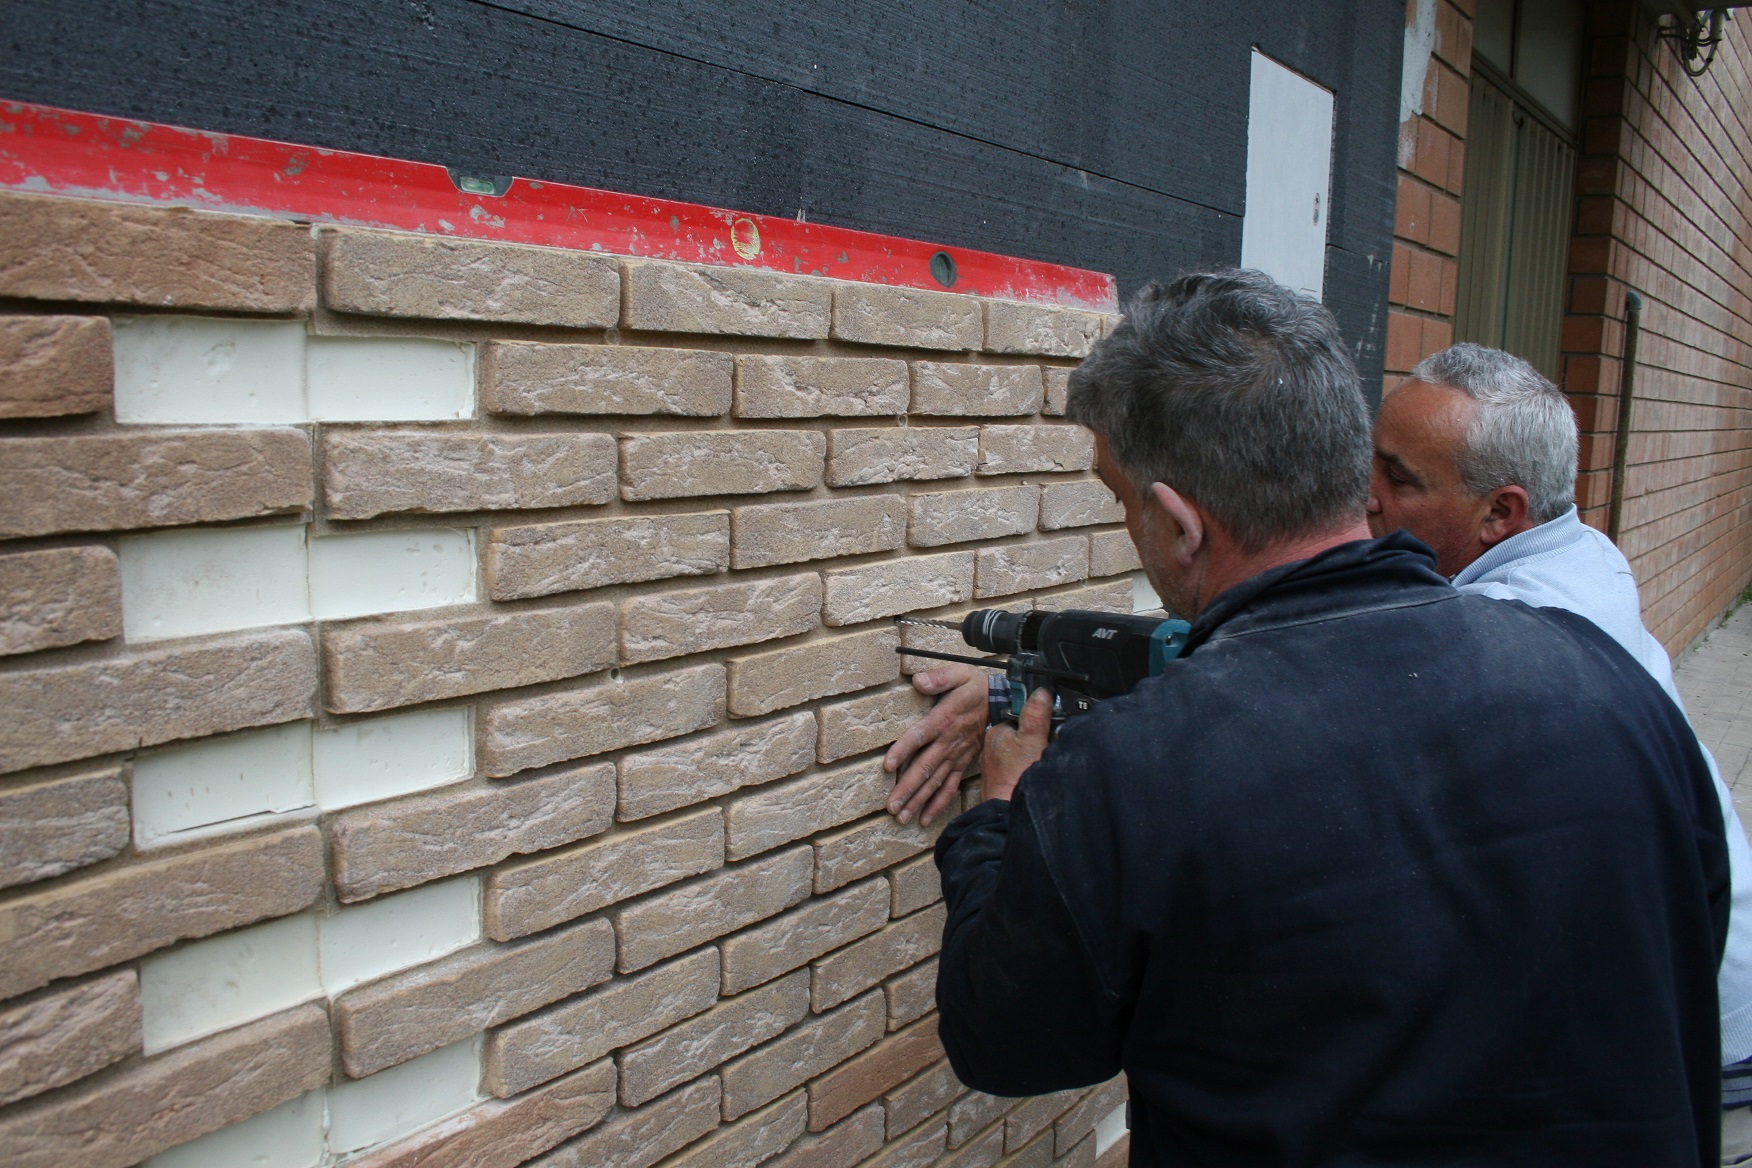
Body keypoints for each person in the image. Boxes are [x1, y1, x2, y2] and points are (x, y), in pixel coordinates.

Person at [925, 271, 1727, 1165]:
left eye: (1121, 500)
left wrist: (998, 822)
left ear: (1179, 523)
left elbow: (1005, 1040)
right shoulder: (1611, 683)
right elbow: (1696, 930)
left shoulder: (1126, 776)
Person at [1367, 343, 1752, 1164]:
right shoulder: (1581, 551)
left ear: (1501, 514)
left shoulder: (1509, 642)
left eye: (1399, 478)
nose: (1367, 495)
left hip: (1703, 1047)